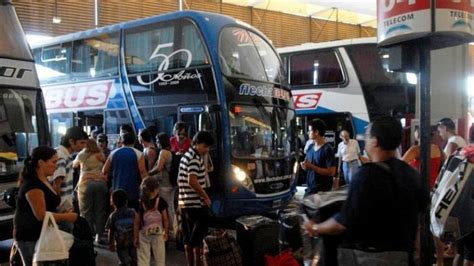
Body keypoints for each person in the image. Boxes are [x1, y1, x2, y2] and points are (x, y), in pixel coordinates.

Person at [304, 117, 429, 265]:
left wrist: (316, 227)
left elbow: (342, 222)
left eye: (368, 137)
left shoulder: (367, 175)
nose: (366, 141)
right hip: (403, 257)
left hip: (370, 258)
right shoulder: (411, 174)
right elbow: (421, 212)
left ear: (375, 141)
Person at [14, 146, 78, 266]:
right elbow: (41, 215)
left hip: (43, 233)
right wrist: (68, 217)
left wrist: (63, 212)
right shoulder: (33, 185)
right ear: (41, 163)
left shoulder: (45, 180)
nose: (56, 166)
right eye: (53, 162)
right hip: (30, 236)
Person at [178, 131, 214, 266]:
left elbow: (179, 179)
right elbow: (192, 180)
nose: (207, 150)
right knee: (197, 242)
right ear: (197, 143)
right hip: (196, 206)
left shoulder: (185, 155)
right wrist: (205, 197)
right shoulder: (194, 158)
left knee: (188, 241)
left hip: (185, 203)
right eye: (205, 146)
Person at [73, 138, 108, 244]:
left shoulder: (81, 155)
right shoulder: (100, 154)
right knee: (100, 211)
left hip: (85, 184)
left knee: (85, 211)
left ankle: (88, 236)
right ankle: (99, 236)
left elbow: (74, 165)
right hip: (101, 184)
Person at [103, 132, 148, 210]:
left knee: (118, 212)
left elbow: (104, 170)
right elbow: (142, 172)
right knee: (133, 212)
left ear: (122, 141)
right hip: (133, 189)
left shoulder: (113, 153)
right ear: (134, 141)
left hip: (117, 188)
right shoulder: (139, 154)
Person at [51, 126, 88, 209]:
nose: (84, 146)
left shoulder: (64, 155)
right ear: (71, 141)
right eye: (82, 143)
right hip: (62, 207)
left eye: (85, 143)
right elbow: (56, 184)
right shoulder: (61, 156)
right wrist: (59, 206)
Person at [135, 177, 169, 266]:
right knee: (160, 257)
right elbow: (165, 219)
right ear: (155, 189)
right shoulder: (161, 201)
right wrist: (166, 231)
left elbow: (137, 222)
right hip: (158, 233)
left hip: (143, 233)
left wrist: (136, 237)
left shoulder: (140, 202)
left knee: (143, 257)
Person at [149, 133, 176, 239]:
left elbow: (159, 168)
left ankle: (172, 231)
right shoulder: (170, 152)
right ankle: (173, 230)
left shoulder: (163, 152)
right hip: (171, 184)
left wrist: (149, 173)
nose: (156, 143)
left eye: (157, 141)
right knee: (171, 207)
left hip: (164, 185)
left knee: (167, 208)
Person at [302, 119, 336, 195]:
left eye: (310, 131)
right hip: (310, 188)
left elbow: (331, 172)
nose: (308, 133)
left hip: (322, 191)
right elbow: (308, 164)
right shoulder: (310, 147)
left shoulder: (327, 149)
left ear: (316, 132)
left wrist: (312, 167)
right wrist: (305, 166)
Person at [106, 189, 137, 266]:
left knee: (123, 261)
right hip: (132, 241)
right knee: (134, 259)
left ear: (112, 202)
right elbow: (137, 225)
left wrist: (110, 243)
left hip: (120, 243)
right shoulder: (132, 212)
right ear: (126, 201)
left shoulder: (113, 216)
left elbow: (111, 230)